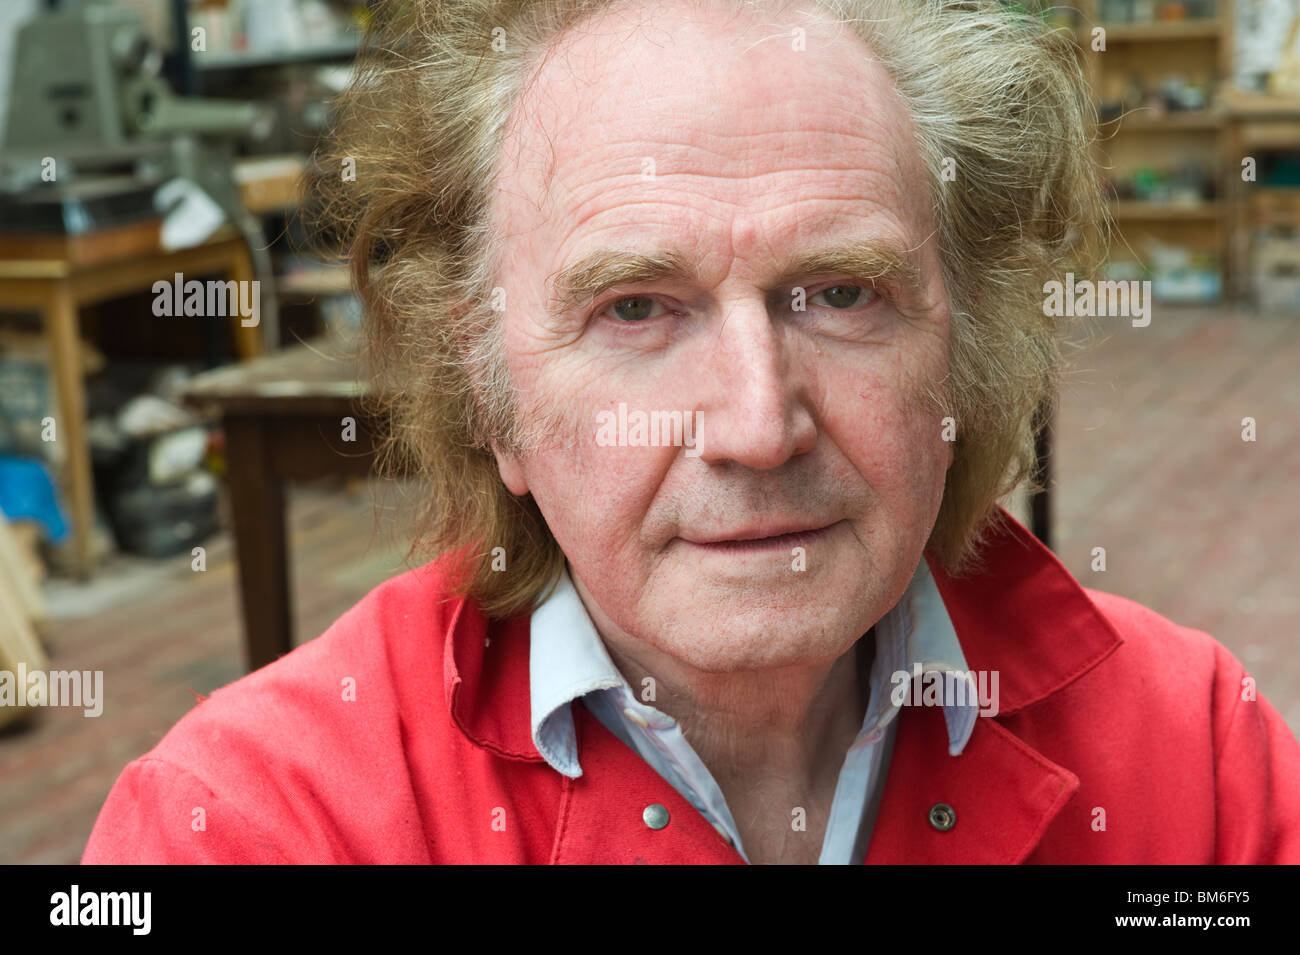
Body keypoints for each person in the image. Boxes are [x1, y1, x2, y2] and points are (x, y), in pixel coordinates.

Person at [83, 0, 1300, 864]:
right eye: (634, 309)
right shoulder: (251, 830)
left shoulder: (1193, 755)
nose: (757, 427)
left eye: (840, 292)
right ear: (487, 391)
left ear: (967, 351)